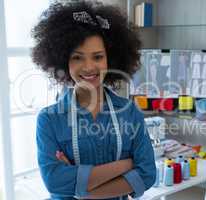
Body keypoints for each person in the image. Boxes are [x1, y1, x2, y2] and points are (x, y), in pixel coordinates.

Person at [31, 1, 156, 199]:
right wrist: (126, 164)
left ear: (110, 59)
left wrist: (84, 192)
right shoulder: (49, 120)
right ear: (64, 60)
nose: (89, 67)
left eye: (97, 57)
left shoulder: (130, 112)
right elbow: (55, 183)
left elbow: (147, 175)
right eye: (77, 57)